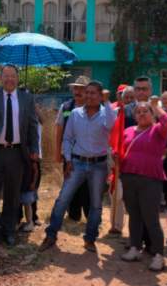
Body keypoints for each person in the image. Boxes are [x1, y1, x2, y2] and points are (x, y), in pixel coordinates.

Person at [39, 81, 116, 253]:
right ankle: (51, 235)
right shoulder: (74, 113)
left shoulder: (106, 113)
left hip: (98, 165)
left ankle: (90, 239)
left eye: (93, 93)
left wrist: (107, 101)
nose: (88, 95)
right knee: (62, 200)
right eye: (86, 92)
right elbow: (67, 138)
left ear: (100, 95)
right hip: (77, 163)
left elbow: (112, 125)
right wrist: (68, 159)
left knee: (96, 205)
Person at [0, 64, 39, 247]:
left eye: (13, 76)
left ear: (17, 78)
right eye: (6, 76)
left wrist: (34, 148)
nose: (9, 79)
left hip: (17, 153)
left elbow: (33, 125)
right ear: (0, 77)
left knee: (13, 194)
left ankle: (8, 229)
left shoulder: (27, 97)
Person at [119, 98, 167, 271]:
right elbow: (119, 148)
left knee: (151, 218)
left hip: (150, 179)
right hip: (128, 177)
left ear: (152, 115)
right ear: (134, 116)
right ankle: (135, 248)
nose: (142, 114)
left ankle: (158, 255)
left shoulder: (157, 130)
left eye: (145, 111)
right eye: (138, 112)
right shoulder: (127, 131)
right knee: (134, 215)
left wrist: (157, 107)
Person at [55, 76, 91, 223]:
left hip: (90, 156)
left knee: (88, 187)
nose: (78, 91)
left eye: (81, 88)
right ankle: (73, 215)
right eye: (76, 88)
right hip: (70, 156)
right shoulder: (66, 107)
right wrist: (58, 153)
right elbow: (58, 130)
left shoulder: (95, 108)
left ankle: (91, 216)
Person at [19, 105, 44, 232]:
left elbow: (42, 123)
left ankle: (32, 218)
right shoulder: (18, 117)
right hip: (22, 158)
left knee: (32, 190)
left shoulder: (36, 119)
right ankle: (18, 219)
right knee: (19, 191)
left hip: (34, 158)